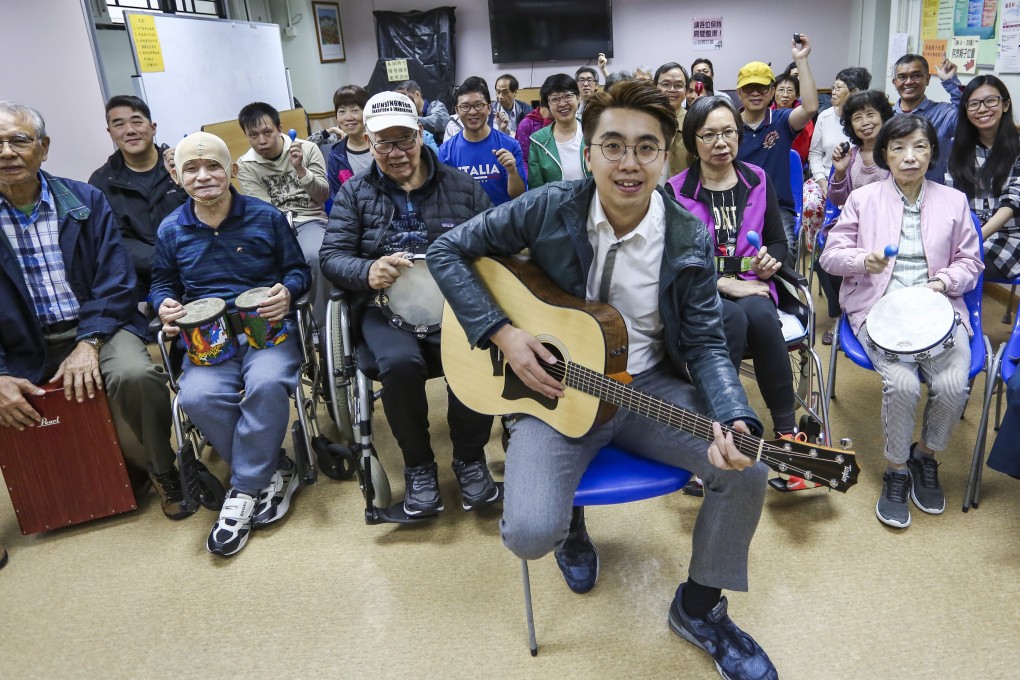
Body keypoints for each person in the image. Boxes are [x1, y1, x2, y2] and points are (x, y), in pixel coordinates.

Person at [428, 80, 776, 680]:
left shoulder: (687, 237)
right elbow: (446, 251)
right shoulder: (548, 206)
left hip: (646, 387)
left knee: (748, 469)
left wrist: (735, 416)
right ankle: (572, 528)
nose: (628, 163)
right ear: (588, 152)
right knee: (529, 534)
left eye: (646, 147)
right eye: (612, 146)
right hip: (551, 389)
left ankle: (698, 609)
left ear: (667, 155)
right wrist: (502, 333)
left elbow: (705, 342)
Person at [0, 101, 185, 520]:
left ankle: (164, 470)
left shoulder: (85, 199)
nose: (7, 153)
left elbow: (115, 279)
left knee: (136, 374)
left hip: (97, 325)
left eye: (19, 141)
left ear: (44, 147)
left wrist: (89, 342)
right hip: (18, 340)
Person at [319, 91, 498, 516]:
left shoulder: (462, 187)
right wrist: (367, 270)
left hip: (453, 305)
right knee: (399, 364)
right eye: (384, 143)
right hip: (382, 308)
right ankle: (419, 467)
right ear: (369, 142)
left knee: (479, 352)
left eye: (404, 139)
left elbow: (493, 246)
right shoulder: (354, 193)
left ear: (421, 134)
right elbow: (331, 256)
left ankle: (470, 459)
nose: (396, 152)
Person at [151, 131, 311, 556]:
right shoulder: (171, 229)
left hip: (265, 325)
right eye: (191, 169)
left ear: (232, 170)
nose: (203, 176)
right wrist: (163, 303)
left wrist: (288, 291)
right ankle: (273, 469)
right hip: (207, 335)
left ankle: (242, 490)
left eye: (213, 166)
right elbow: (162, 283)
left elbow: (298, 270)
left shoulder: (265, 216)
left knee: (267, 383)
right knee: (196, 396)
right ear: (177, 177)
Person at [819, 115, 982, 528]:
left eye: (920, 146)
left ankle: (924, 456)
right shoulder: (863, 199)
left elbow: (970, 263)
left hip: (939, 309)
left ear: (932, 152)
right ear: (885, 155)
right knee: (904, 384)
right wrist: (863, 260)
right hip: (878, 310)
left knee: (953, 384)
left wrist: (942, 282)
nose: (910, 157)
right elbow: (830, 256)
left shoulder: (953, 201)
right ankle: (895, 470)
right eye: (898, 148)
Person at [667, 95, 801, 490]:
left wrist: (770, 260)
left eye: (728, 132)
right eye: (709, 135)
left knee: (760, 314)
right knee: (733, 317)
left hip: (754, 284)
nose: (721, 143)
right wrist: (722, 283)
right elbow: (675, 261)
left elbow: (778, 241)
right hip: (701, 290)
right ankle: (718, 433)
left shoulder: (757, 178)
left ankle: (787, 434)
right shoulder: (676, 191)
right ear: (693, 142)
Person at [235, 102, 328, 326]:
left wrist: (300, 169)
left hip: (308, 219)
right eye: (253, 135)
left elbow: (322, 195)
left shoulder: (307, 149)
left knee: (315, 256)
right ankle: (279, 323)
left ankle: (320, 324)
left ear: (279, 129)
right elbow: (263, 210)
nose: (262, 140)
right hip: (273, 226)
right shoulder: (246, 165)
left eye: (267, 132)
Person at [88, 95, 187, 302]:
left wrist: (184, 174)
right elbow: (113, 239)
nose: (130, 130)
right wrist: (166, 260)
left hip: (196, 267)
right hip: (143, 285)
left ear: (153, 127)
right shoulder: (101, 182)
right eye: (119, 124)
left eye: (136, 121)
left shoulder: (183, 165)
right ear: (110, 132)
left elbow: (212, 209)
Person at [816, 90, 895, 344]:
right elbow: (838, 199)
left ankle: (875, 312)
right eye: (858, 118)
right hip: (854, 225)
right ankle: (840, 315)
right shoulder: (850, 156)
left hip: (888, 227)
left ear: (883, 117)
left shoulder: (894, 152)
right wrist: (839, 173)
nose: (865, 122)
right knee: (824, 261)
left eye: (871, 114)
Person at [736, 36, 818, 259]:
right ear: (739, 92)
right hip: (737, 206)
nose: (755, 93)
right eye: (749, 88)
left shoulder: (781, 120)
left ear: (772, 91)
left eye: (762, 88)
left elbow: (810, 108)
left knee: (784, 253)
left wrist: (801, 60)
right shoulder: (730, 125)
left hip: (776, 207)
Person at [948, 75, 1020, 279]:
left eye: (990, 101)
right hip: (968, 233)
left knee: (959, 268)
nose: (982, 109)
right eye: (974, 104)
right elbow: (952, 199)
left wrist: (975, 238)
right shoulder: (958, 147)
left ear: (1005, 105)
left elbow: (1012, 202)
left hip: (1011, 238)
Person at [439, 77, 526, 206]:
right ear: (457, 111)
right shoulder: (446, 151)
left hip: (503, 216)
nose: (472, 112)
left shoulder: (510, 145)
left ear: (489, 108)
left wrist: (512, 171)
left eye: (479, 105)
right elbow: (446, 197)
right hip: (466, 217)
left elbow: (520, 196)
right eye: (465, 106)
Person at [891, 54, 963, 184]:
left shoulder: (944, 113)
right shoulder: (886, 116)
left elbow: (969, 115)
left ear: (928, 79)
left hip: (932, 191)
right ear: (895, 82)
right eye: (902, 77)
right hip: (891, 190)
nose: (908, 82)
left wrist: (951, 82)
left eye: (916, 75)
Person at [809, 67, 871, 195]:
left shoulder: (867, 123)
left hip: (859, 183)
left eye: (838, 88)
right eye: (833, 87)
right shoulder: (824, 116)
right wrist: (821, 180)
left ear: (855, 92)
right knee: (811, 201)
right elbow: (815, 154)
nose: (833, 92)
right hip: (826, 177)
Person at [528, 74, 589, 188]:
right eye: (555, 99)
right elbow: (536, 188)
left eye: (568, 96)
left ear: (577, 98)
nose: (562, 104)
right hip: (555, 200)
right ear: (548, 105)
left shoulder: (593, 131)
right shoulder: (538, 141)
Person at [323, 85, 374, 202]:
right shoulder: (336, 154)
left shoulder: (382, 146)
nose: (348, 118)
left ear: (366, 113)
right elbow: (337, 196)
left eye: (355, 110)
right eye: (342, 111)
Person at [653, 62, 691, 180]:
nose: (672, 90)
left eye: (678, 85)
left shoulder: (693, 122)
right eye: (666, 84)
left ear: (686, 90)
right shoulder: (644, 120)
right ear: (655, 87)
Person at [771, 73, 813, 164]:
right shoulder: (767, 114)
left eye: (789, 91)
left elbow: (810, 144)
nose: (785, 95)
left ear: (796, 95)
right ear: (773, 93)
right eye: (781, 90)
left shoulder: (804, 116)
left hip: (797, 162)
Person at [395, 80, 450, 144]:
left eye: (407, 99)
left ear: (417, 94)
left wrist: (410, 119)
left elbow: (439, 121)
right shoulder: (405, 113)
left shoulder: (436, 106)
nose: (405, 103)